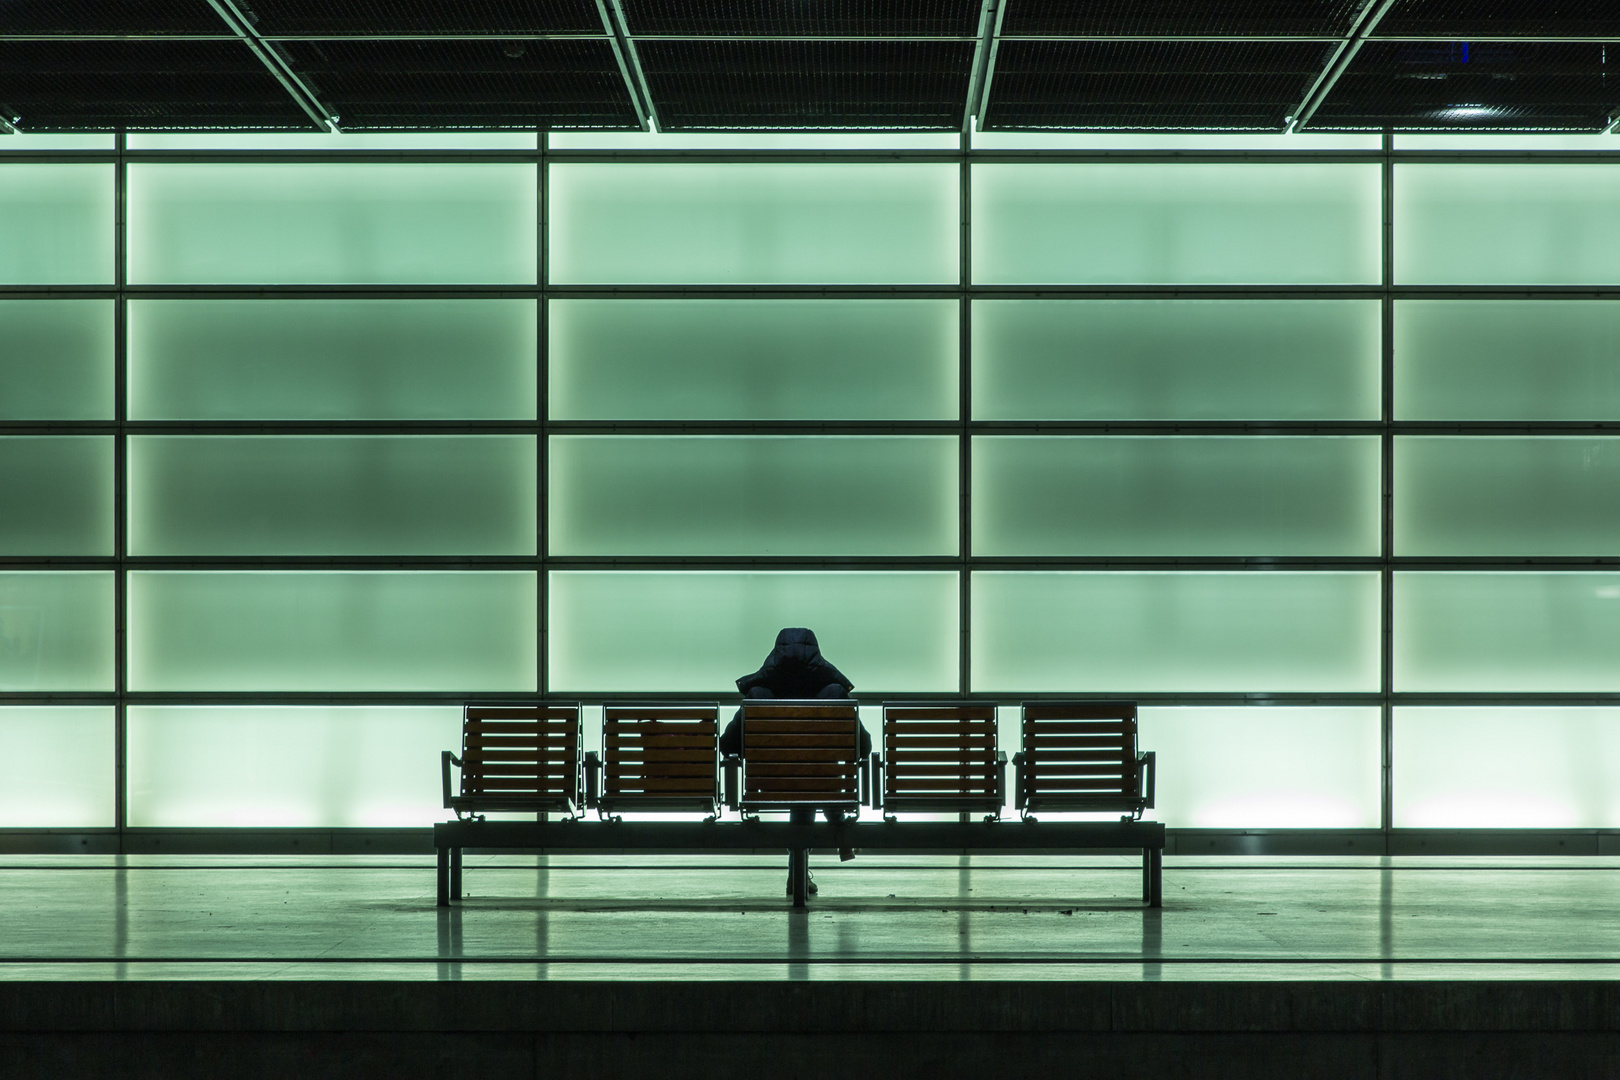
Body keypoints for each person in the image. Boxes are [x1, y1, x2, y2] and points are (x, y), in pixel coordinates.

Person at [719, 628, 869, 893]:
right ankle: (837, 827)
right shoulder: (834, 694)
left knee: (800, 777)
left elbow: (727, 744)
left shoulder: (758, 697)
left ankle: (796, 875)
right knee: (812, 778)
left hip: (769, 785)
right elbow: (864, 747)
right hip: (824, 787)